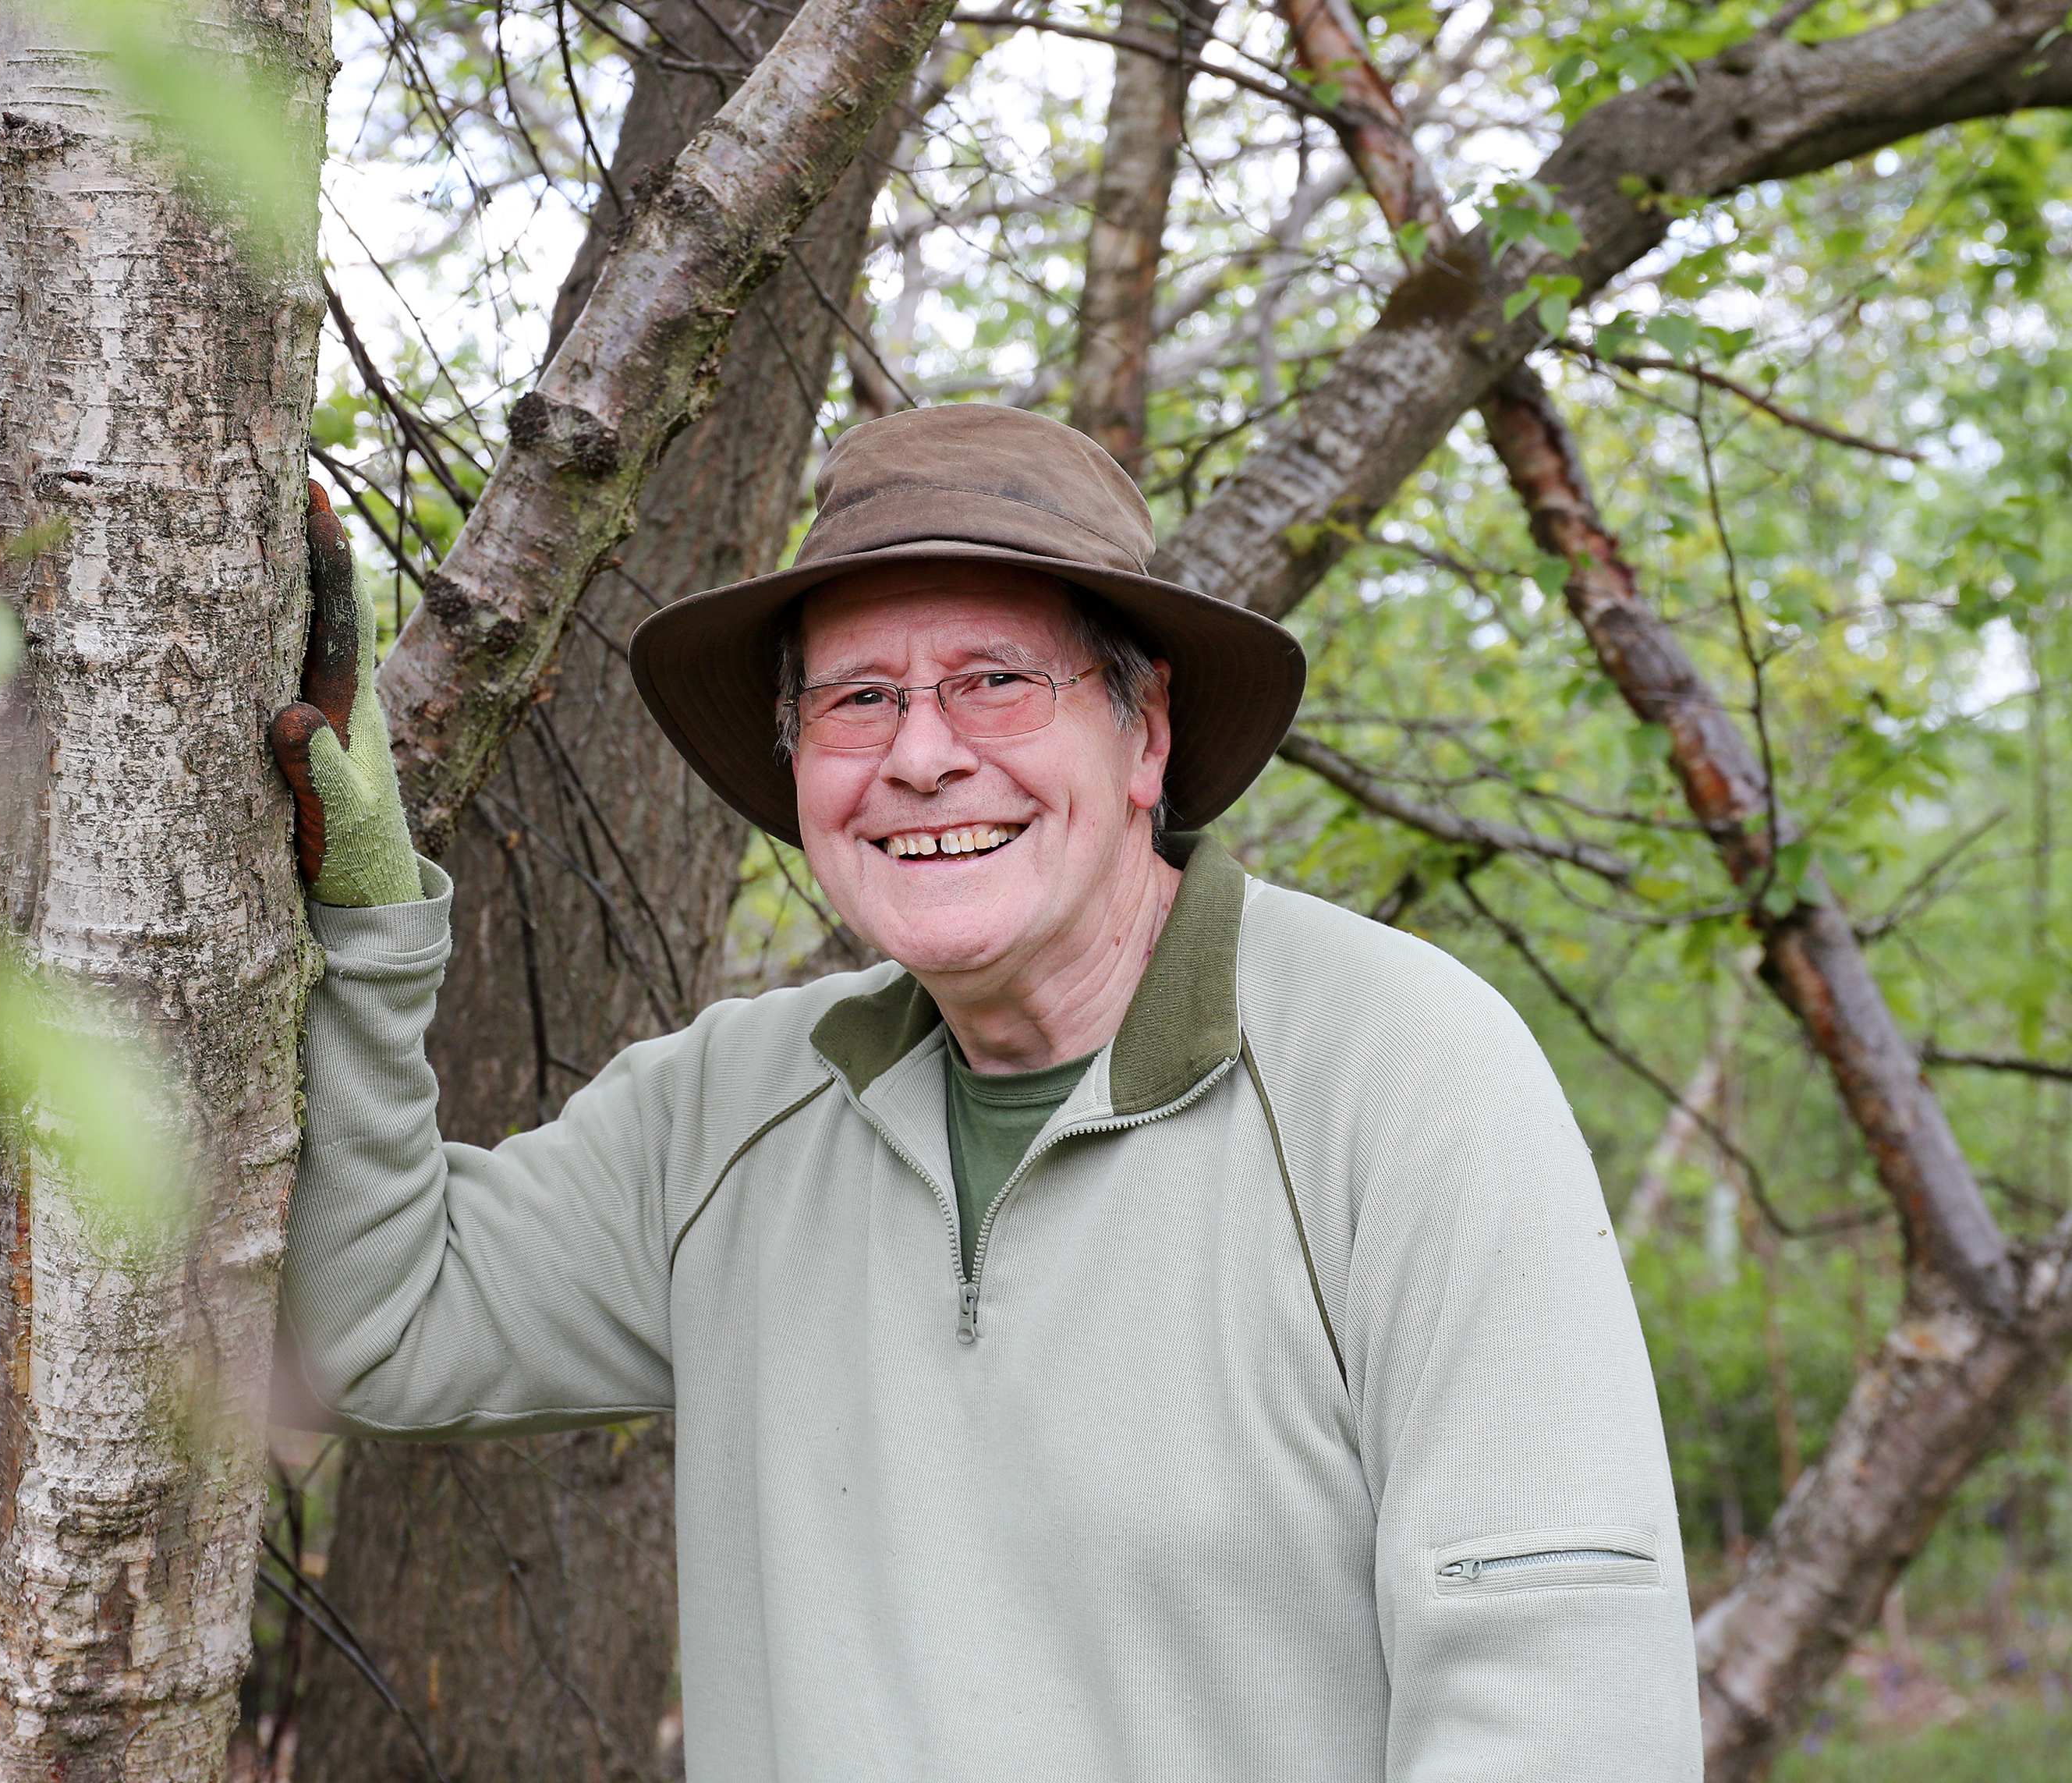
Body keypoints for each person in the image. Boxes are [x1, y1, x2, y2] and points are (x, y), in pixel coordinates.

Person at [270, 404, 1701, 1780]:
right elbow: (373, 1328)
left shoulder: (1402, 1070)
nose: (923, 753)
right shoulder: (728, 1113)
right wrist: (370, 922)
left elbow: (1559, 1693)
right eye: (859, 697)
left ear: (1146, 737)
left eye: (998, 680)